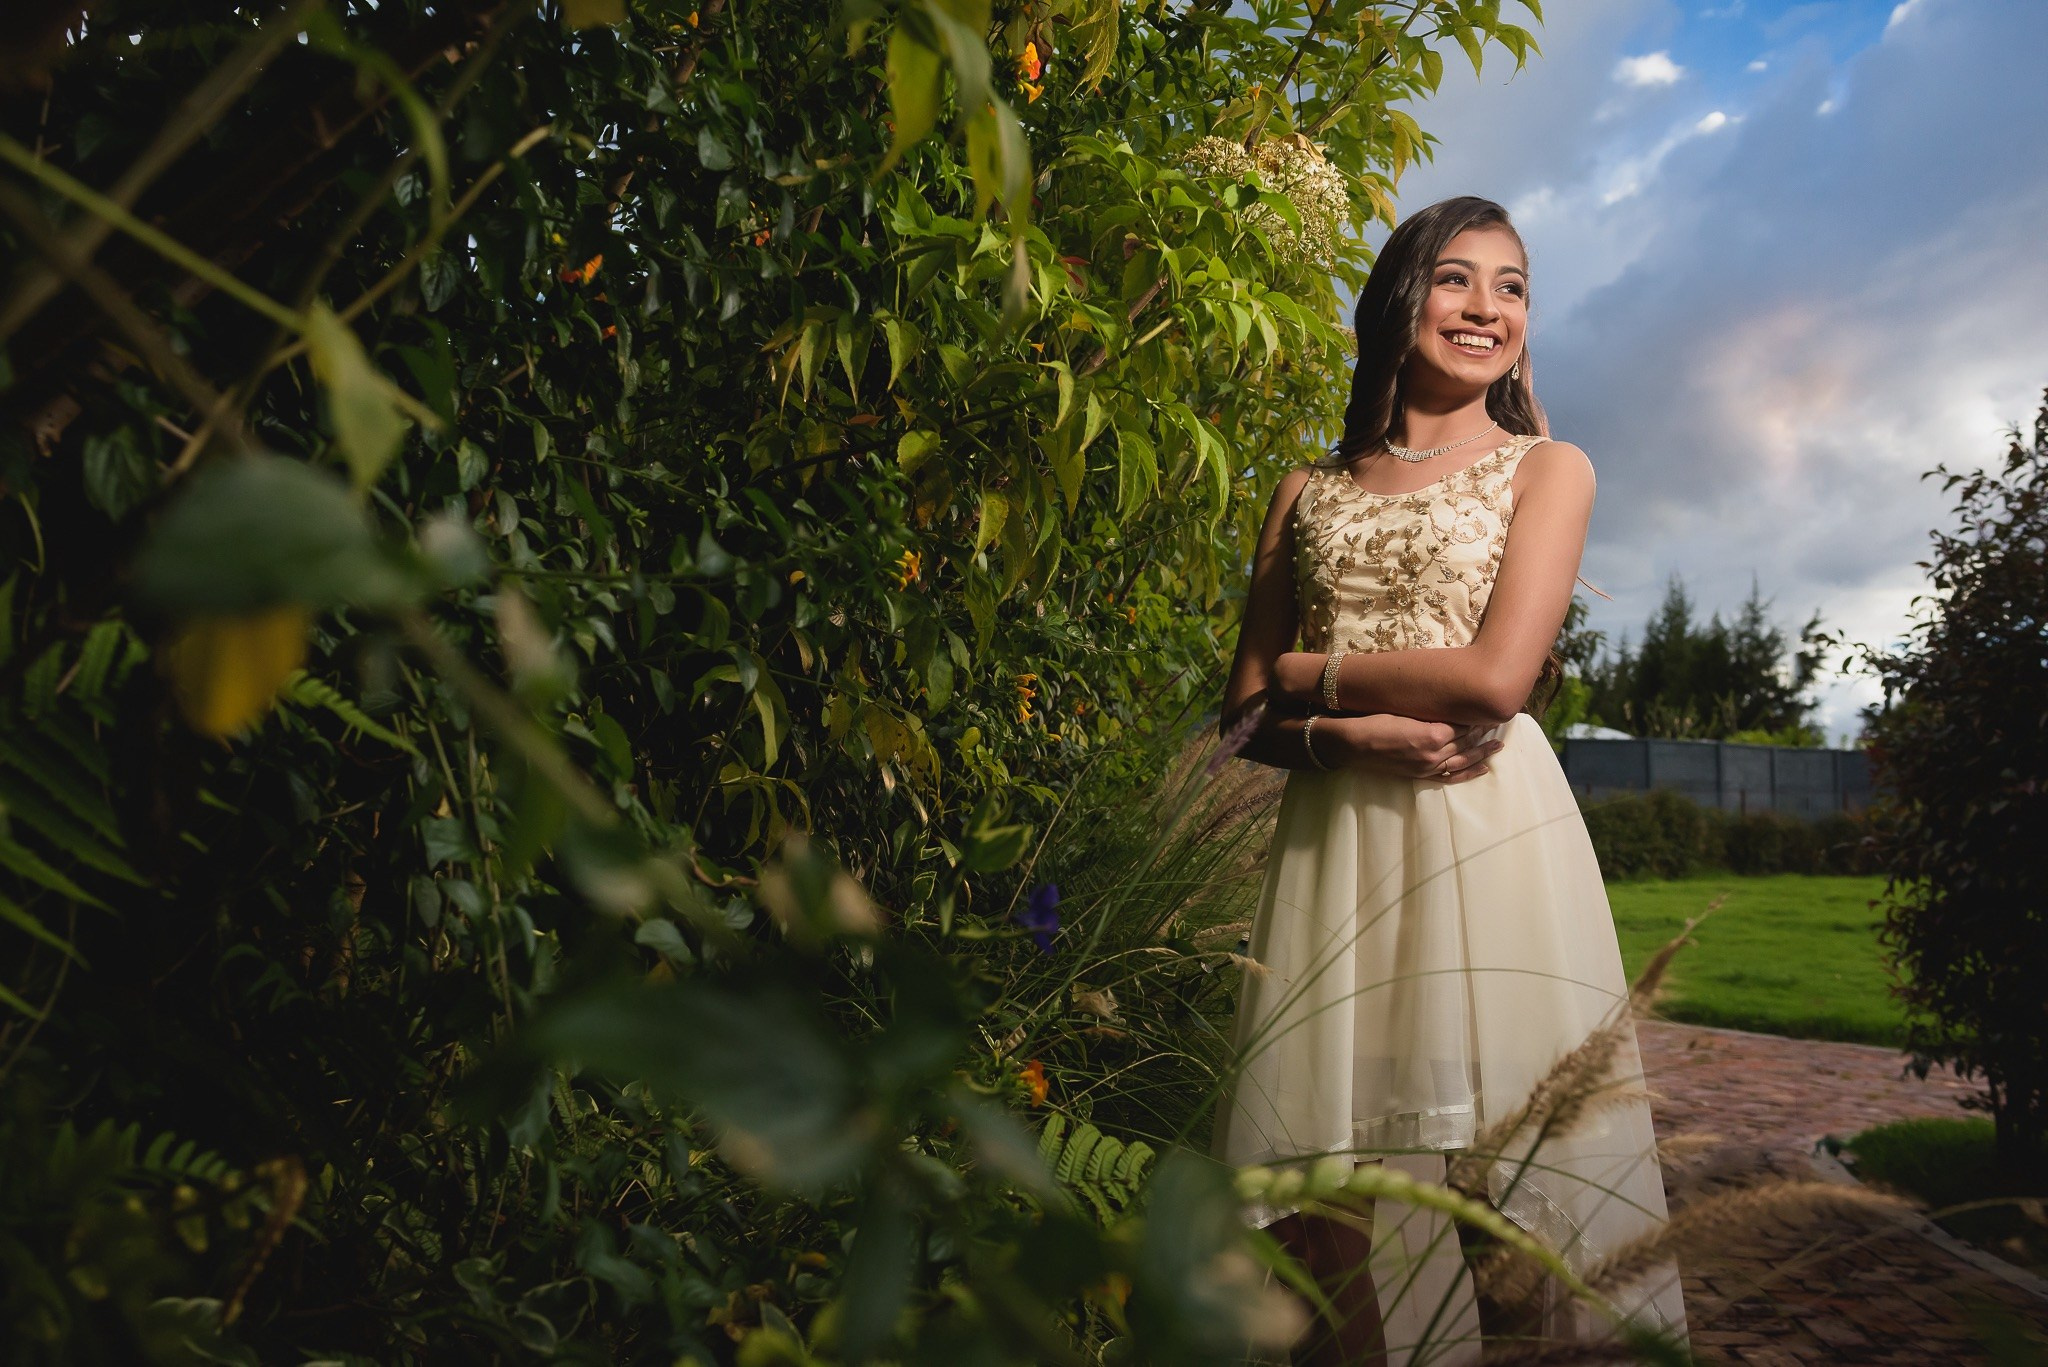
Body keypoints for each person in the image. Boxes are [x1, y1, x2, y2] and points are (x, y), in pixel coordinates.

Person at [1210, 196, 1689, 1365]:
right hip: (1335, 859)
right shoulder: (1301, 490)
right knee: (1314, 1217)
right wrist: (1341, 737)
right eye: (1457, 279)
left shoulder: (1548, 468)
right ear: (1399, 298)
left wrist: (1312, 669)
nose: (1486, 308)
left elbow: (1491, 680)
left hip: (1488, 844)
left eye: (1512, 286)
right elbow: (1240, 717)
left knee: (1505, 1199)